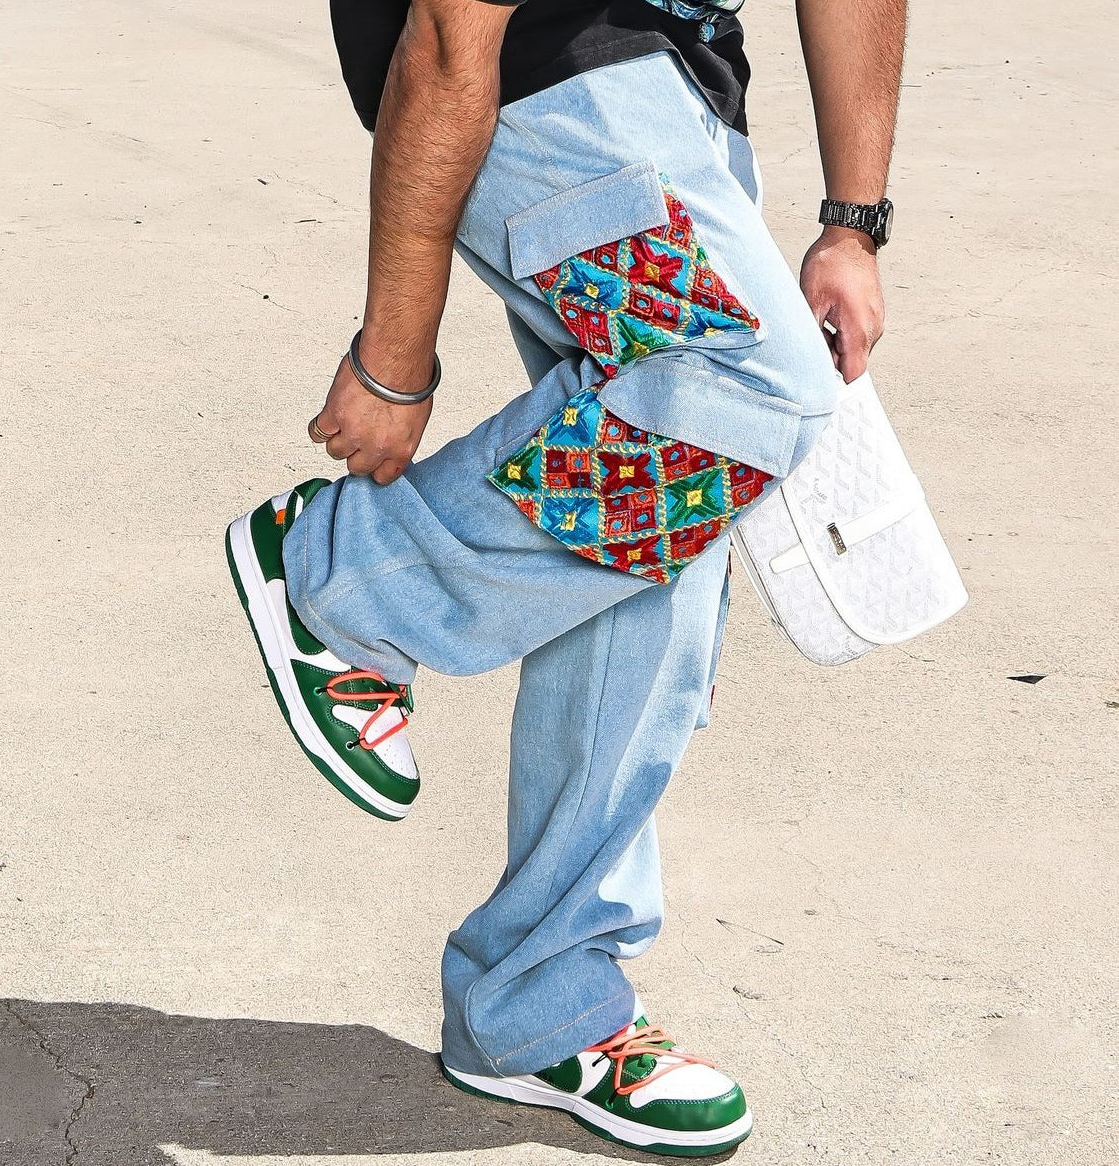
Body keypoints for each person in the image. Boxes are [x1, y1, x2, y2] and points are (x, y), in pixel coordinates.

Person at [225, 0, 906, 1154]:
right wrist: (395, 352)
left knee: (657, 524)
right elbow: (447, 33)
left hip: (686, 81)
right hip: (541, 79)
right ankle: (343, 580)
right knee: (746, 383)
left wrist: (855, 217)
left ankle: (537, 1003)